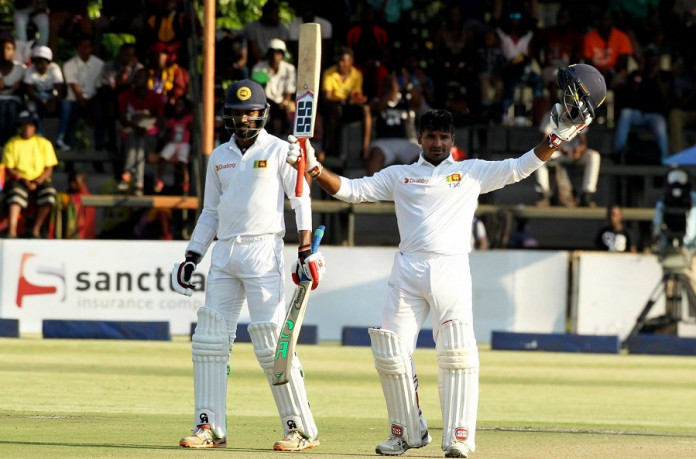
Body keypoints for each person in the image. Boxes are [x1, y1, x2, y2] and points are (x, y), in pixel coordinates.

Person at [285, 63, 604, 457]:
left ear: (452, 139)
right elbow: (351, 191)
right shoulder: (399, 175)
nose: (437, 142)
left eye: (443, 137)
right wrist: (315, 169)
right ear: (419, 138)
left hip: (451, 268)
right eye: (430, 136)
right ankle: (406, 432)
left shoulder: (471, 172)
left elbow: (521, 167)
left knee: (456, 352)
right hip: (407, 270)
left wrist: (555, 140)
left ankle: (458, 438)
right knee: (391, 352)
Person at [171, 79, 325, 451]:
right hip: (225, 253)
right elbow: (210, 211)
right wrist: (192, 255)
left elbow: (299, 198)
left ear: (263, 114)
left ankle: (300, 429)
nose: (244, 119)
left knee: (273, 341)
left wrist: (306, 250)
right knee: (210, 340)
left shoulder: (280, 150)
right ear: (229, 116)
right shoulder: (219, 156)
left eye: (251, 112)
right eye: (238, 113)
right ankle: (209, 427)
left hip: (262, 250)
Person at [1, 111, 58, 238]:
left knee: (49, 195)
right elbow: (9, 168)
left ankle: (36, 230)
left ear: (35, 127)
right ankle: (12, 231)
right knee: (15, 196)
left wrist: (39, 180)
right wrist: (23, 180)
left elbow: (49, 168)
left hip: (40, 180)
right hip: (19, 179)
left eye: (30, 125)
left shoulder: (44, 143)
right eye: (24, 125)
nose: (27, 128)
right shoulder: (12, 144)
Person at [535, 115, 601, 207]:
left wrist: (579, 150)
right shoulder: (550, 115)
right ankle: (544, 195)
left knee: (594, 156)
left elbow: (584, 144)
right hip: (558, 153)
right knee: (541, 157)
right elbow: (544, 144)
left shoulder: (580, 115)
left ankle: (587, 194)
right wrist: (559, 148)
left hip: (575, 155)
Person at [251, 38, 296, 137]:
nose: (275, 56)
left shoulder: (290, 69)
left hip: (284, 103)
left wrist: (284, 102)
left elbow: (289, 91)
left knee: (291, 109)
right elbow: (259, 91)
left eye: (278, 53)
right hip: (265, 101)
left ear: (282, 55)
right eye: (272, 53)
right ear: (268, 54)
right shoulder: (259, 68)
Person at [23, 45, 65, 135]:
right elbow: (30, 93)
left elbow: (59, 89)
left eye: (42, 62)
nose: (39, 66)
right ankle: (39, 135)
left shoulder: (55, 69)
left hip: (53, 98)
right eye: (37, 62)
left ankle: (61, 136)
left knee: (66, 106)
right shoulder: (30, 70)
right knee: (30, 107)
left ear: (48, 63)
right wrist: (43, 102)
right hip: (37, 99)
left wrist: (52, 102)